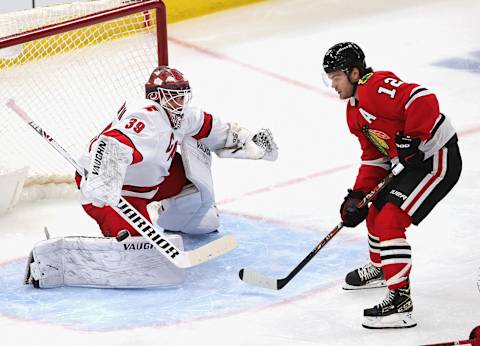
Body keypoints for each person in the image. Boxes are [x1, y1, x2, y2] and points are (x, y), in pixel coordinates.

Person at [322, 42, 462, 329]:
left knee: (390, 219)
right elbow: (375, 158)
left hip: (437, 159)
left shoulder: (375, 86)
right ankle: (382, 268)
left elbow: (423, 98)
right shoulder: (353, 112)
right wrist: (358, 195)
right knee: (374, 210)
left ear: (353, 72)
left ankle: (400, 302)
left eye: (336, 77)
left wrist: (412, 137)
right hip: (413, 162)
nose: (333, 85)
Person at [76, 65, 278, 238]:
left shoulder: (182, 116)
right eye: (173, 98)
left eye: (182, 97)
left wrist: (247, 142)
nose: (179, 103)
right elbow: (112, 144)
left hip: (150, 182)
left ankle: (178, 216)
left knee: (199, 204)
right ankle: (118, 227)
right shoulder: (146, 119)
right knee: (140, 251)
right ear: (156, 97)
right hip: (115, 192)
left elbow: (211, 128)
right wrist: (102, 181)